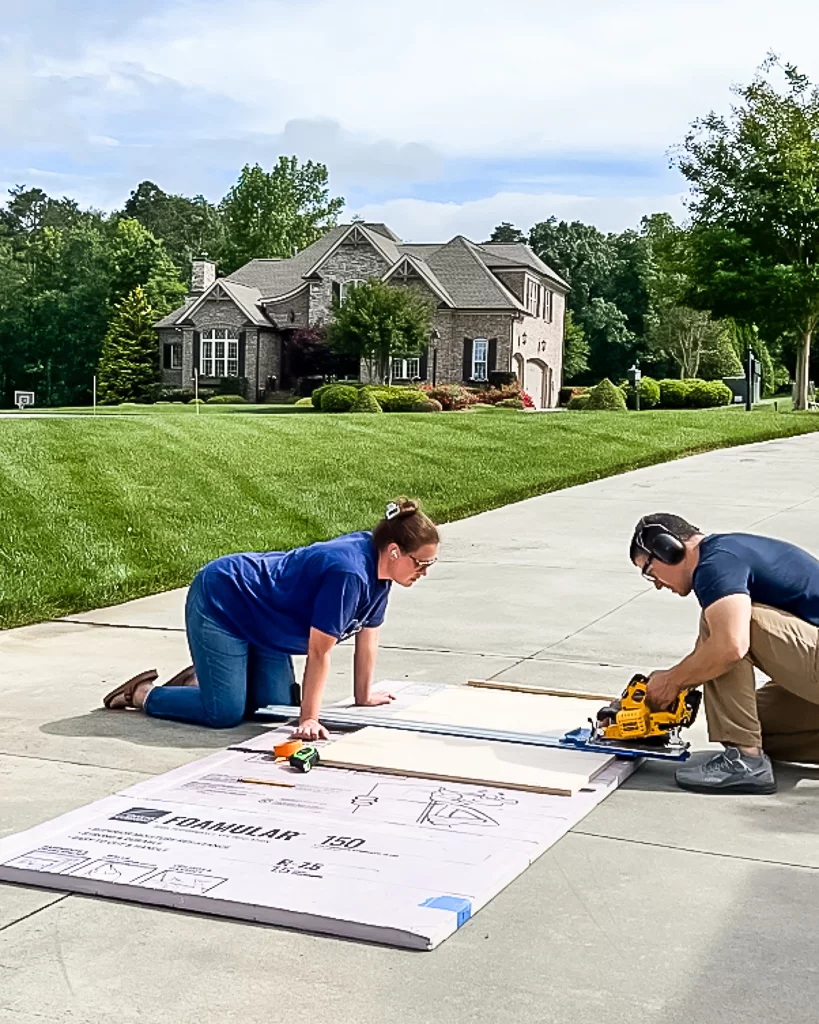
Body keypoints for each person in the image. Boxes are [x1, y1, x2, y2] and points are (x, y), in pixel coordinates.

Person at [103, 499, 439, 739]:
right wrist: (308, 718)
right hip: (224, 601)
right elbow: (320, 652)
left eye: (430, 565)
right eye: (421, 563)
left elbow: (369, 637)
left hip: (266, 622)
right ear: (394, 551)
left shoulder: (381, 577)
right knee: (224, 714)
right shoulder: (349, 573)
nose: (423, 572)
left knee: (272, 707)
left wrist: (363, 696)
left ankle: (206, 680)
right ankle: (142, 693)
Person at [629, 513, 819, 794]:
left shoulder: (716, 562)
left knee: (723, 634)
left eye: (648, 569)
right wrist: (654, 702)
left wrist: (671, 681)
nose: (655, 582)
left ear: (666, 547)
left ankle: (746, 761)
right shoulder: (725, 558)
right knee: (755, 726)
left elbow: (730, 647)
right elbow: (709, 658)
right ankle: (748, 749)